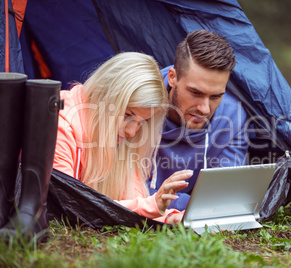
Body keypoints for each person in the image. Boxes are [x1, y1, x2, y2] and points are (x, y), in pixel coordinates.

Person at [53, 52, 192, 225]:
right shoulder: (58, 124)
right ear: (105, 96)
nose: (132, 132)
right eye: (128, 115)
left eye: (142, 122)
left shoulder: (121, 140)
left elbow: (134, 204)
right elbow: (65, 205)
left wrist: (170, 217)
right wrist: (152, 205)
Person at [148, 30, 249, 210]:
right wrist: (192, 204)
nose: (205, 109)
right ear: (172, 77)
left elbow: (225, 192)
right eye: (196, 93)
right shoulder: (140, 103)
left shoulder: (233, 114)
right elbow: (123, 189)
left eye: (216, 96)